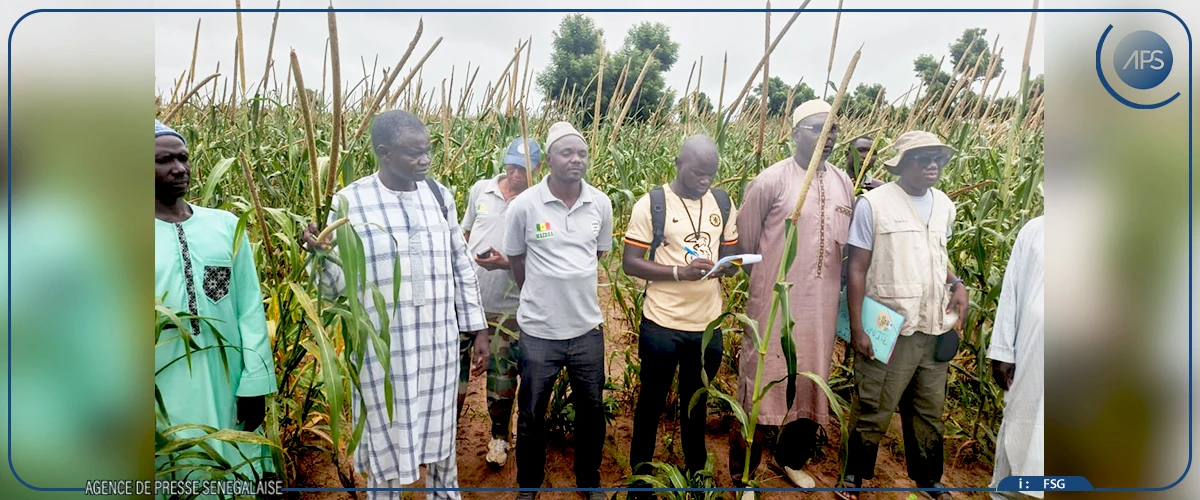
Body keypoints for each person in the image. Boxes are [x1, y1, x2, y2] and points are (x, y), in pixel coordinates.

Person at [300, 109, 489, 499]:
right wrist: (318, 254)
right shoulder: (351, 201)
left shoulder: (439, 195)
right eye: (413, 154)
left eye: (428, 151)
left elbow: (460, 261)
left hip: (438, 343)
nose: (424, 160)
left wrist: (478, 327)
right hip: (384, 349)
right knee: (386, 432)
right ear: (384, 153)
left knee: (441, 439)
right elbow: (334, 285)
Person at [731, 99, 855, 492]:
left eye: (833, 128)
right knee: (761, 380)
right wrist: (772, 283)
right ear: (794, 134)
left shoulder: (843, 182)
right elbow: (748, 247)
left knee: (810, 381)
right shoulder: (770, 181)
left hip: (820, 310)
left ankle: (790, 460)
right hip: (774, 304)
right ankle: (744, 473)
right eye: (817, 128)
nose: (828, 136)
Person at [842, 130, 970, 500]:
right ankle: (853, 475)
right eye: (923, 158)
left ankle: (929, 479)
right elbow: (857, 268)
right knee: (873, 405)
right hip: (890, 326)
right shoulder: (874, 204)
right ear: (902, 164)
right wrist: (858, 327)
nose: (933, 165)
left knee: (929, 411)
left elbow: (933, 257)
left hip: (933, 325)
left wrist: (957, 281)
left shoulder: (945, 205)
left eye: (938, 159)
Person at [153, 120, 278, 480]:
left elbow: (250, 309)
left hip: (229, 383)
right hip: (164, 384)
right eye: (164, 161)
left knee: (233, 469)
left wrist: (256, 383)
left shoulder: (225, 226)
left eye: (183, 158)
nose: (179, 169)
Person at [621, 134, 739, 494]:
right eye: (698, 173)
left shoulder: (721, 201)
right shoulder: (652, 204)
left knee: (696, 403)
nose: (705, 181)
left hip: (707, 326)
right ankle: (640, 478)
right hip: (662, 324)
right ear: (679, 163)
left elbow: (732, 259)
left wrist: (725, 268)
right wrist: (678, 272)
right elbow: (630, 262)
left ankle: (695, 473)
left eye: (711, 174)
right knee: (651, 404)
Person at [503, 121, 614, 500]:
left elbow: (597, 254)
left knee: (592, 411)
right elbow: (516, 259)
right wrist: (537, 294)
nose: (575, 160)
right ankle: (528, 486)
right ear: (549, 158)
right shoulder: (524, 205)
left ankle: (589, 481)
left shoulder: (600, 203)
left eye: (581, 153)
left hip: (586, 330)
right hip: (538, 332)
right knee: (532, 413)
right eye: (567, 153)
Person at [457, 136, 543, 469]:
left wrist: (508, 263)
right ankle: (443, 436)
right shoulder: (481, 190)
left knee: (502, 379)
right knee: (454, 375)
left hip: (509, 307)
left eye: (523, 168)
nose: (515, 173)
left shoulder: (537, 201)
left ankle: (498, 438)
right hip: (468, 302)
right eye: (511, 165)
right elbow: (464, 236)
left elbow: (544, 256)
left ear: (537, 168)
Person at [987, 216, 1044, 500]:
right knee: (1021, 426)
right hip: (1031, 355)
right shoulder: (1035, 230)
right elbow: (1011, 292)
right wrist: (1001, 351)